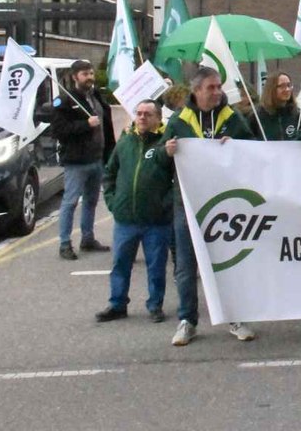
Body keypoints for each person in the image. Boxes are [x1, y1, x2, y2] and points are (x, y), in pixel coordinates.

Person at [162, 66, 256, 346]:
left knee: (228, 262)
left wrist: (236, 145)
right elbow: (159, 158)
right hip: (188, 204)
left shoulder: (232, 117)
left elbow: (253, 149)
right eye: (211, 88)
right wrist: (166, 153)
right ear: (197, 90)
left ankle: (235, 317)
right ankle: (187, 320)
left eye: (219, 87)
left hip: (225, 204)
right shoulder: (180, 120)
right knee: (186, 266)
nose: (217, 92)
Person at [95, 100, 174, 324]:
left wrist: (165, 204)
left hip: (156, 220)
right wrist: (112, 201)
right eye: (139, 113)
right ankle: (117, 303)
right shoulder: (125, 142)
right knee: (120, 263)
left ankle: (155, 304)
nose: (142, 117)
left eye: (148, 114)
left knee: (156, 266)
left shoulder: (165, 145)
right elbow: (110, 173)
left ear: (158, 118)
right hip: (125, 218)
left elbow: (177, 182)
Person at [49, 59, 116, 260]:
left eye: (91, 73)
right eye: (85, 74)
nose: (90, 77)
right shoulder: (65, 101)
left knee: (91, 201)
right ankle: (64, 243)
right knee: (70, 202)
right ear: (74, 76)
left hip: (97, 158)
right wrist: (85, 124)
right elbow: (59, 131)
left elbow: (107, 124)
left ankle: (87, 238)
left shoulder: (95, 96)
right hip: (76, 161)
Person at [250, 72, 301, 141]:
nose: (287, 89)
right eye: (282, 86)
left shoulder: (298, 115)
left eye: (289, 85)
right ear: (271, 89)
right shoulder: (257, 115)